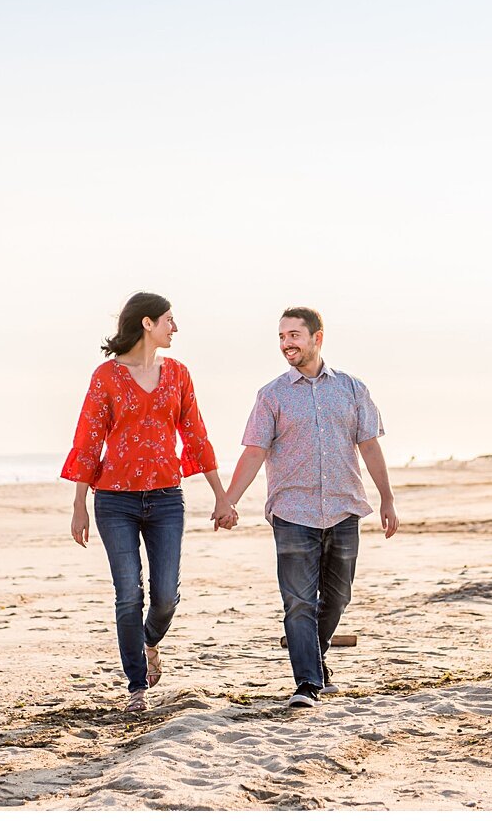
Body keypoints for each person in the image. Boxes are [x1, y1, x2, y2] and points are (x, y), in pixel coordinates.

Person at [62, 292, 238, 712]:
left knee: (165, 597)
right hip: (114, 501)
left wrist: (222, 496)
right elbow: (88, 439)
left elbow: (196, 435)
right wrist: (78, 504)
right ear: (146, 323)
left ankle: (149, 641)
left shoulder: (177, 374)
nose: (174, 328)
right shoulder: (106, 376)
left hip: (164, 499)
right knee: (128, 594)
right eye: (168, 320)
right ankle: (137, 687)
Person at [225, 306, 399, 708]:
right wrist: (229, 500)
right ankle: (306, 683)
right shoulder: (271, 395)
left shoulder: (352, 389)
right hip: (292, 512)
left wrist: (386, 498)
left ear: (317, 338)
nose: (287, 343)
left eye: (294, 336)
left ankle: (316, 660)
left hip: (343, 507)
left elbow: (369, 445)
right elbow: (254, 453)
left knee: (338, 597)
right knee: (299, 600)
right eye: (282, 337)